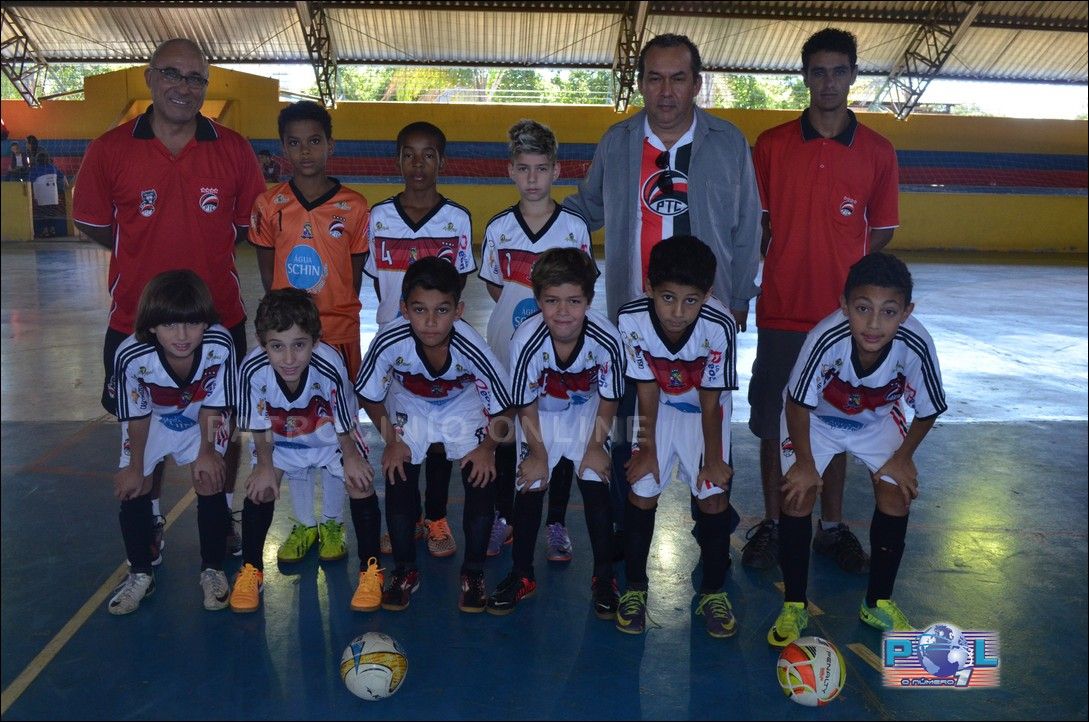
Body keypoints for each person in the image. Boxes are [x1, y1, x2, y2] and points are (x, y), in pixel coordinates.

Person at [563, 33, 760, 556]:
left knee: (709, 422)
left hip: (706, 312)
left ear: (697, 83)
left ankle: (711, 524)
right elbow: (587, 207)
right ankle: (627, 532)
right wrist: (534, 217)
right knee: (632, 426)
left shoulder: (728, 142)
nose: (666, 91)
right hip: (634, 316)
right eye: (655, 78)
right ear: (641, 83)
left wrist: (739, 296)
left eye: (678, 78)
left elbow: (747, 224)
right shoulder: (619, 142)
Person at [73, 38, 265, 561]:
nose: (184, 87)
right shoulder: (109, 149)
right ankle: (152, 518)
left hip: (218, 319)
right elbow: (94, 223)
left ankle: (222, 514)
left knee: (222, 423)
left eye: (195, 78)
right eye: (172, 74)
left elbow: (248, 225)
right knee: (141, 423)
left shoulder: (234, 148)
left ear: (206, 86)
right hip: (134, 321)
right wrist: (140, 252)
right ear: (150, 77)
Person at [743, 28, 901, 574]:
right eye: (818, 72)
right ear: (805, 76)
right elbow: (758, 224)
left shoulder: (878, 151)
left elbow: (882, 228)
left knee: (834, 419)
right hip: (781, 309)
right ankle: (772, 522)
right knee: (773, 421)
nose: (828, 82)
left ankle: (831, 527)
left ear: (853, 75)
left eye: (838, 71)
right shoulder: (771, 145)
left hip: (843, 319)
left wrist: (848, 275)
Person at [767, 252, 945, 646]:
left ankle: (877, 602)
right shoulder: (825, 338)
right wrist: (805, 464)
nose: (874, 323)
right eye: (863, 308)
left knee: (896, 491)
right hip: (814, 421)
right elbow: (796, 404)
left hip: (875, 421)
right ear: (845, 305)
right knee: (797, 493)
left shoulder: (916, 344)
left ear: (906, 312)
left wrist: (903, 459)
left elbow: (929, 408)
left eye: (888, 311)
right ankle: (794, 604)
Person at [249, 100, 370, 564]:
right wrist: (287, 321)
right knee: (294, 431)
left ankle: (334, 522)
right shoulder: (269, 205)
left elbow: (353, 272)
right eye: (295, 142)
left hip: (337, 332)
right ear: (283, 147)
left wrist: (329, 314)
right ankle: (302, 524)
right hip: (288, 339)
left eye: (314, 141)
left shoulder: (354, 206)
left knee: (336, 431)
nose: (305, 151)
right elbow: (267, 269)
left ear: (330, 145)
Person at [356, 257, 513, 613]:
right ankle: (405, 570)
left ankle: (473, 572)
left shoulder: (471, 346)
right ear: (403, 309)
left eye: (441, 310)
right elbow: (368, 393)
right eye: (419, 309)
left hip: (461, 403)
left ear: (458, 310)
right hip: (410, 402)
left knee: (481, 476)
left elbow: (505, 406)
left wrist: (488, 448)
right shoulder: (389, 339)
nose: (430, 321)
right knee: (397, 472)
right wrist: (392, 441)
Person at [479, 119, 594, 562]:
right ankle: (504, 516)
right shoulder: (499, 228)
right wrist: (520, 319)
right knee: (507, 428)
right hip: (507, 344)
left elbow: (582, 287)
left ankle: (556, 522)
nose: (532, 178)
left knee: (557, 430)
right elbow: (495, 286)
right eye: (523, 168)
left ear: (556, 171)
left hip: (559, 348)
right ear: (510, 170)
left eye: (541, 168)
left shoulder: (574, 228)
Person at [485, 248, 623, 617]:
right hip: (540, 417)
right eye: (552, 301)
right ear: (538, 301)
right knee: (531, 481)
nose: (563, 311)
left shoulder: (608, 339)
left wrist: (596, 446)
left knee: (595, 478)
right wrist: (537, 453)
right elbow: (524, 403)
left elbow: (610, 397)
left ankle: (604, 577)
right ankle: (522, 574)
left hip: (587, 415)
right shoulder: (525, 340)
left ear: (589, 300)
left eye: (574, 301)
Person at [614, 235, 738, 638]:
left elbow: (711, 399)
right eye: (668, 298)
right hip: (659, 408)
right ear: (649, 287)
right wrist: (647, 449)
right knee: (642, 488)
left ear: (708, 295)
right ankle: (635, 587)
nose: (678, 312)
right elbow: (646, 387)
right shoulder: (631, 319)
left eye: (691, 300)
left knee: (713, 495)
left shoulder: (719, 324)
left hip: (705, 412)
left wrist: (714, 459)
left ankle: (713, 592)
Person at [229, 289, 380, 614]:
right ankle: (252, 570)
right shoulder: (251, 369)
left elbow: (343, 419)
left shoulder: (330, 363)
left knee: (360, 481)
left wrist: (352, 458)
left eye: (299, 345)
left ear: (315, 340)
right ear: (262, 343)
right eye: (277, 346)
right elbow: (258, 424)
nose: (288, 359)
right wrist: (264, 466)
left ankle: (370, 571)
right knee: (260, 489)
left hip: (331, 436)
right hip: (281, 439)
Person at [363, 121, 474, 560]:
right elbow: (379, 282)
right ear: (397, 160)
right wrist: (398, 322)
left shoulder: (456, 219)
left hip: (440, 343)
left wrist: (434, 325)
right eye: (409, 154)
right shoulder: (379, 217)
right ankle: (404, 518)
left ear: (442, 161)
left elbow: (457, 285)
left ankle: (437, 517)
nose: (418, 164)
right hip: (395, 348)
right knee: (400, 435)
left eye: (428, 154)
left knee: (441, 436)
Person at [106, 270, 237, 615]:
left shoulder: (220, 345)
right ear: (151, 326)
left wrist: (207, 452)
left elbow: (215, 405)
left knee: (209, 477)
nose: (181, 335)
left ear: (206, 321)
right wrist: (135, 467)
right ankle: (140, 573)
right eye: (169, 325)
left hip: (201, 415)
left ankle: (213, 568)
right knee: (134, 486)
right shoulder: (131, 356)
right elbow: (136, 416)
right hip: (152, 418)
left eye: (192, 323)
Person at [29, 151, 67, 238]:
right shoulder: (53, 167)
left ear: (37, 160)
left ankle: (45, 231)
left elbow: (29, 181)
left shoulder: (35, 169)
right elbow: (62, 176)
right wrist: (67, 185)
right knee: (52, 214)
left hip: (41, 196)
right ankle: (52, 230)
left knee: (42, 214)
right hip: (53, 197)